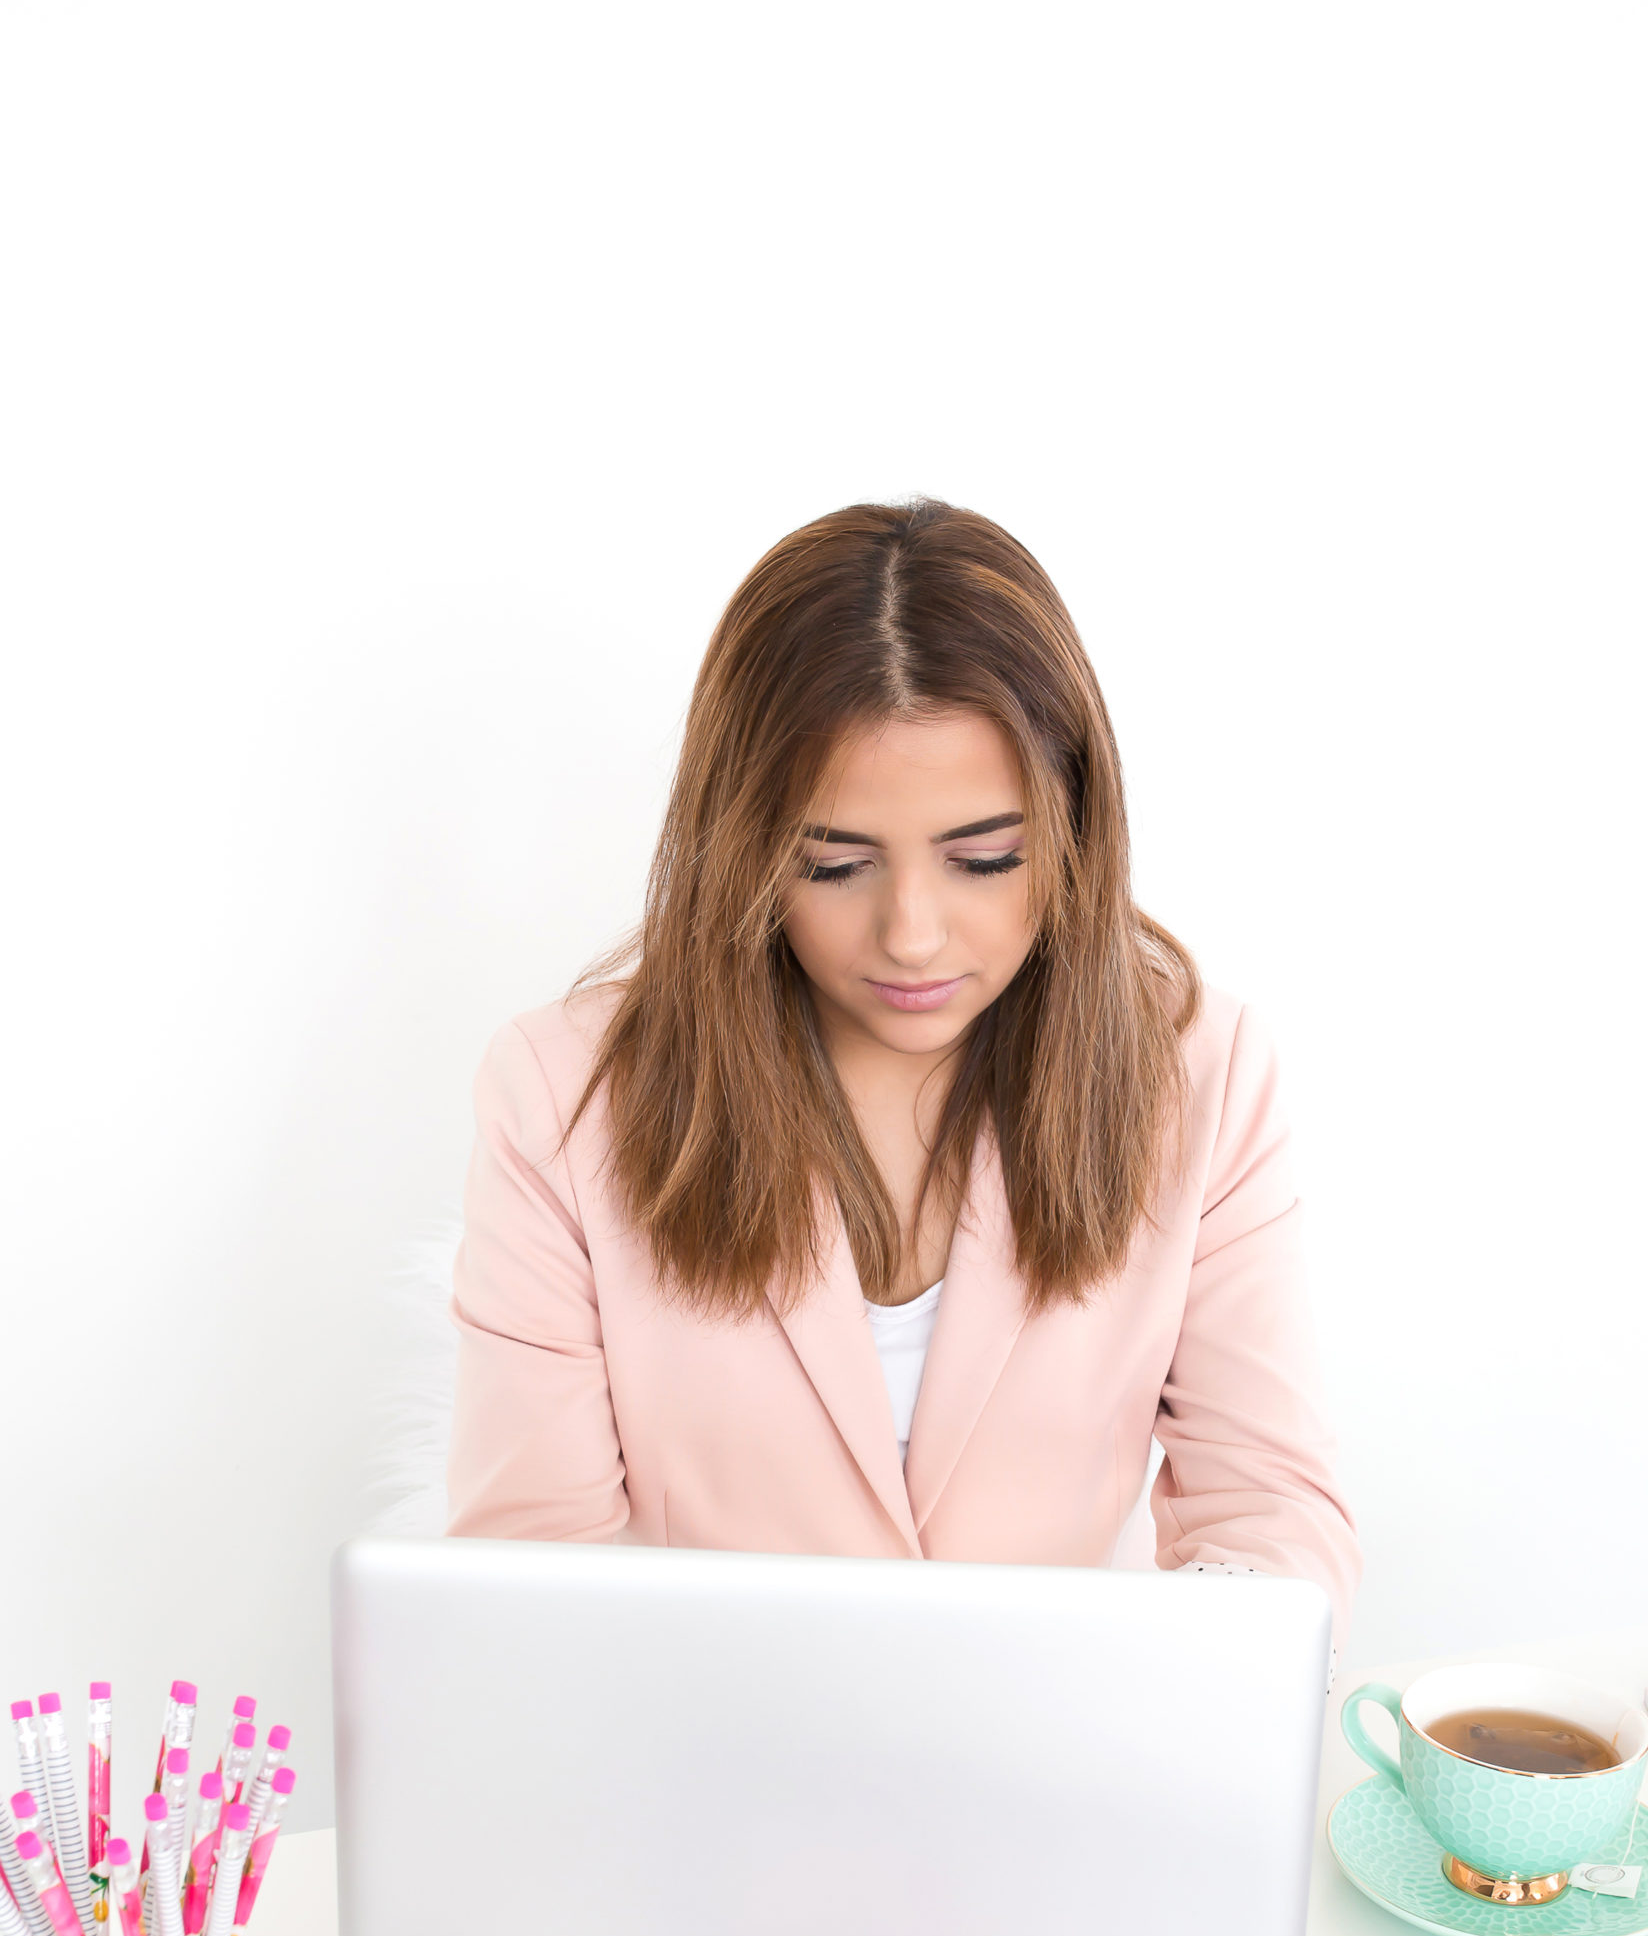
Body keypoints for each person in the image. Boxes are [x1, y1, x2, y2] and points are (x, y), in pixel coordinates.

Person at [447, 498, 1359, 1648]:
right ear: (743, 847)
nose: (913, 936)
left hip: (1071, 1733)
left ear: (1074, 828)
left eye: (986, 858)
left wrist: (1202, 1679)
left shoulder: (1202, 1076)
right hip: (707, 1741)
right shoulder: (561, 1095)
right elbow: (526, 1582)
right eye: (834, 865)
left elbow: (1271, 1509)